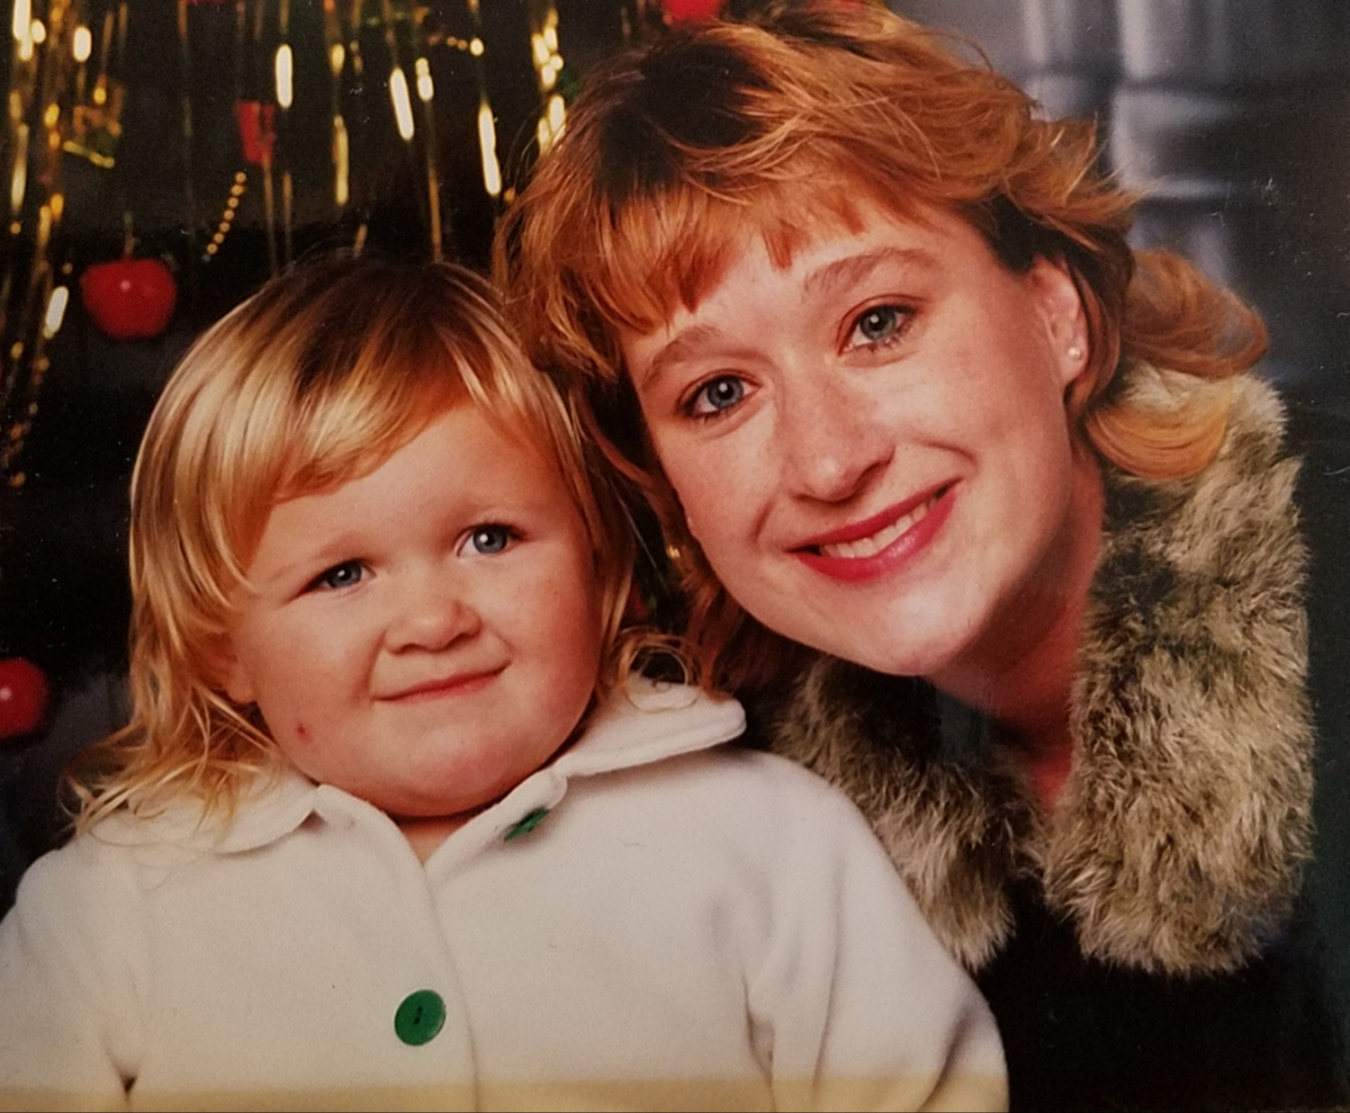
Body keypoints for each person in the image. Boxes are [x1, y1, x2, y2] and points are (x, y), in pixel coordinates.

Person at [497, 2, 1350, 1109]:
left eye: (879, 321)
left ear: (1057, 316)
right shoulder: (731, 819)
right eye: (717, 392)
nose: (827, 460)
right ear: (668, 488)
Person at [0, 254, 1005, 1111]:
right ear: (224, 648)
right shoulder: (113, 913)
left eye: (490, 538)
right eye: (341, 575)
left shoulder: (773, 846)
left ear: (601, 569)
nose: (435, 622)